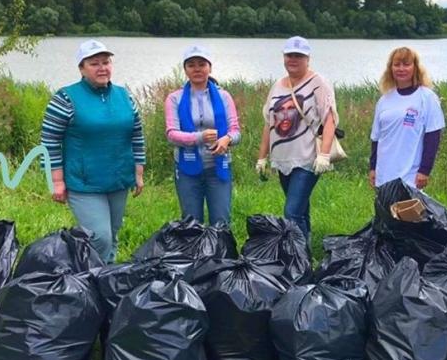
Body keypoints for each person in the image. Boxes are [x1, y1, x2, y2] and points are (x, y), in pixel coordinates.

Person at [41, 39, 145, 263]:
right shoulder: (65, 98)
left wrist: (138, 172)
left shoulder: (124, 95)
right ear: (82, 68)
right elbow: (50, 141)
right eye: (94, 63)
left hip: (119, 179)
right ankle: (83, 275)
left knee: (113, 234)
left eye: (106, 62)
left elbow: (136, 134)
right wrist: (56, 180)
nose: (102, 68)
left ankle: (105, 280)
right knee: (100, 237)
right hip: (85, 183)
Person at [256, 36, 338, 240]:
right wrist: (262, 157)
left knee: (291, 212)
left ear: (307, 58)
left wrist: (324, 155)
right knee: (300, 210)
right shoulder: (277, 86)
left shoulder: (318, 83)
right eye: (289, 55)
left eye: (299, 56)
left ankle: (297, 257)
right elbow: (269, 123)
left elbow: (329, 120)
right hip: (283, 158)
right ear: (284, 57)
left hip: (307, 158)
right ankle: (306, 252)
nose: (293, 59)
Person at [164, 45, 241, 224]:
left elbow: (236, 131)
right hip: (186, 170)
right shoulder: (174, 98)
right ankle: (192, 252)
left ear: (210, 68)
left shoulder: (224, 96)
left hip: (218, 167)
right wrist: (199, 137)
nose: (197, 69)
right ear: (185, 70)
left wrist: (227, 139)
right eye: (191, 65)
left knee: (221, 221)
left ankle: (221, 252)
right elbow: (171, 134)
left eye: (202, 64)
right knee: (191, 223)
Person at [369, 46, 445, 190]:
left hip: (410, 176)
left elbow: (433, 136)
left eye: (406, 64)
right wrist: (373, 168)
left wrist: (424, 170)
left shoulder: (427, 98)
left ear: (415, 68)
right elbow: (376, 138)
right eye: (396, 65)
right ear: (390, 68)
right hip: (384, 175)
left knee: (408, 212)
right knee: (384, 213)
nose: (401, 69)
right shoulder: (385, 100)